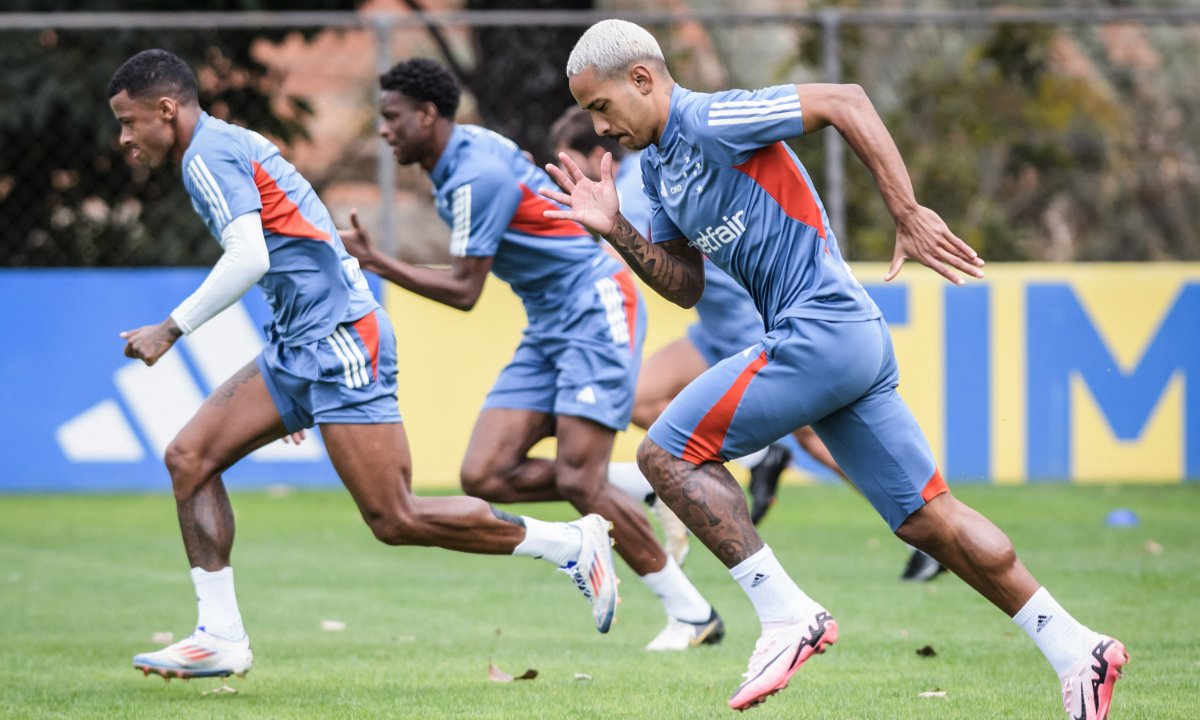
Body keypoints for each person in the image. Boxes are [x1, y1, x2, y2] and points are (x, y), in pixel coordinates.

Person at [543, 20, 1126, 718]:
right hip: (842, 340)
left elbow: (845, 99)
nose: (599, 127)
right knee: (929, 520)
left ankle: (787, 615)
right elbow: (686, 286)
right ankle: (1077, 649)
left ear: (642, 79)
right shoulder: (660, 173)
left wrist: (906, 212)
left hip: (820, 328)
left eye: (601, 106)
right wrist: (617, 231)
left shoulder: (713, 118)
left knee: (666, 453)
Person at [107, 49, 622, 681]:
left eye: (129, 122)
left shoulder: (207, 155)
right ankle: (219, 636)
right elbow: (299, 247)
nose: (124, 138)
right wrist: (288, 385)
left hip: (340, 341)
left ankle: (569, 544)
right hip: (302, 345)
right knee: (189, 459)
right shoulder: (221, 145)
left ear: (166, 109)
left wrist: (171, 328)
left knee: (395, 517)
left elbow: (249, 258)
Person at [338, 58, 722, 652]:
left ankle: (692, 614)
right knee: (485, 473)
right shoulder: (464, 153)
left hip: (593, 307)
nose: (384, 130)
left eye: (392, 117)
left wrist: (376, 262)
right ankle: (642, 484)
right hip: (549, 323)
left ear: (428, 115)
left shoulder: (474, 175)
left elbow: (464, 291)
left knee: (579, 480)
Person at [549, 106, 946, 582]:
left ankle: (923, 530)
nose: (569, 180)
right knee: (637, 397)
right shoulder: (649, 174)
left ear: (597, 155)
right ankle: (756, 457)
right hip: (714, 329)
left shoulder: (632, 186)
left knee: (818, 437)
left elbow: (611, 264)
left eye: (571, 163)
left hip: (750, 322)